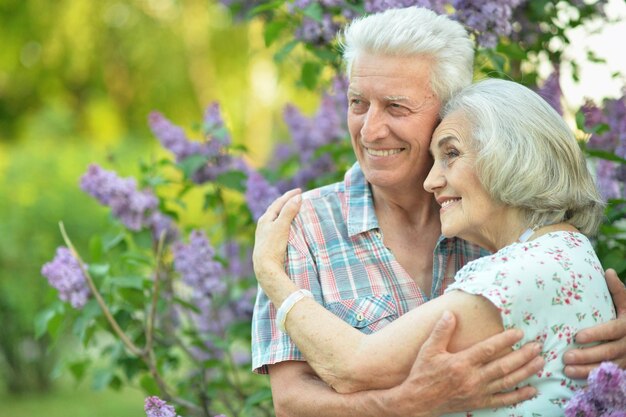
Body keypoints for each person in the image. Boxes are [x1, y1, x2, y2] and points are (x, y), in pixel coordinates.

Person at [250, 6, 626, 416]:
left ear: (450, 110)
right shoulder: (299, 226)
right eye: (358, 103)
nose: (371, 130)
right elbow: (291, 403)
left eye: (396, 107)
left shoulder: (491, 218)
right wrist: (406, 404)